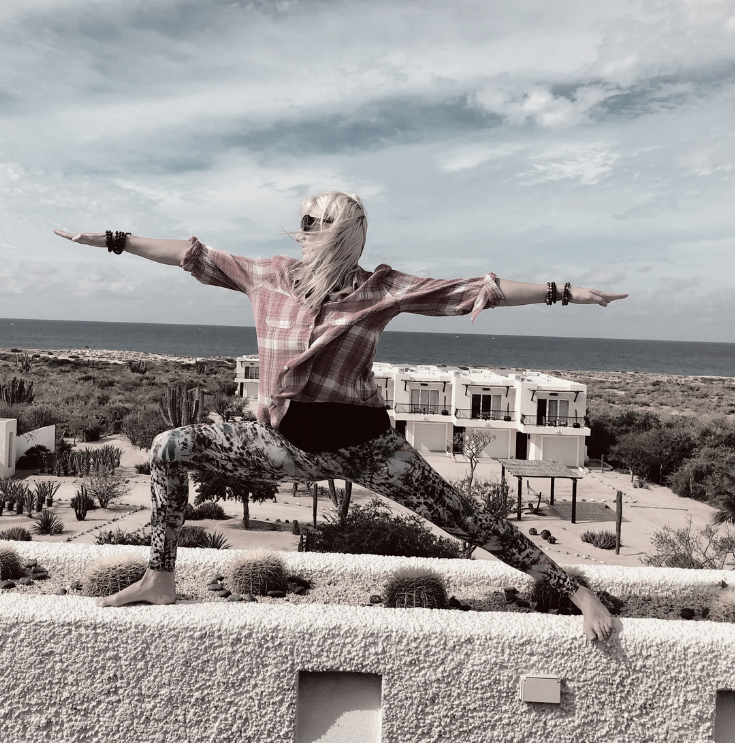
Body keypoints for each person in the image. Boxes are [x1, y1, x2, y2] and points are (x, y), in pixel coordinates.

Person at [54, 190, 627, 642]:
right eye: (301, 218)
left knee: (467, 520)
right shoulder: (267, 275)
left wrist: (566, 292)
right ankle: (160, 578)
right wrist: (114, 240)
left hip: (368, 448)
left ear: (345, 232)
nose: (303, 229)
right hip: (288, 446)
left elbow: (479, 289)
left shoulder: (382, 288)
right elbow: (190, 254)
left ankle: (576, 591)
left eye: (316, 220)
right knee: (168, 447)